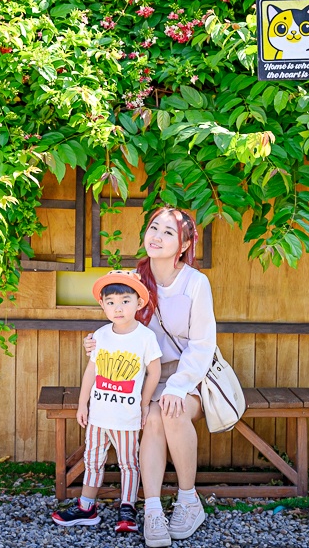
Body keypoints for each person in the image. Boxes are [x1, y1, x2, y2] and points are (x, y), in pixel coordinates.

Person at [84, 207, 216, 548]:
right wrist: (98, 342)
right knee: (153, 419)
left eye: (168, 232)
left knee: (170, 411)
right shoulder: (133, 279)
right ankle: (153, 509)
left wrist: (178, 385)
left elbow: (202, 346)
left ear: (185, 244)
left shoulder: (196, 283)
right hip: (144, 379)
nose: (156, 236)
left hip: (187, 377)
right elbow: (117, 323)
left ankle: (188, 501)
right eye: (154, 227)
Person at [51, 270, 162, 534]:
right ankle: (87, 506)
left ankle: (128, 509)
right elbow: (92, 371)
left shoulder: (145, 337)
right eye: (110, 302)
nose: (118, 308)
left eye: (125, 301)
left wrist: (145, 403)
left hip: (127, 418)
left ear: (139, 302)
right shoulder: (100, 335)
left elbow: (154, 371)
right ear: (102, 305)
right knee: (92, 460)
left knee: (128, 463)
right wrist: (82, 404)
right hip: (99, 416)